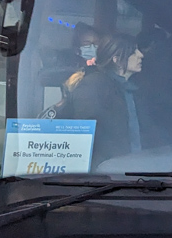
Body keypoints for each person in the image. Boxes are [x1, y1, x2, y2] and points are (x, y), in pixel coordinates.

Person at [59, 34, 144, 165]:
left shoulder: (130, 88)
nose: (141, 55)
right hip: (107, 172)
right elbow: (86, 133)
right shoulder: (93, 86)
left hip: (132, 167)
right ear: (116, 60)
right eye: (133, 52)